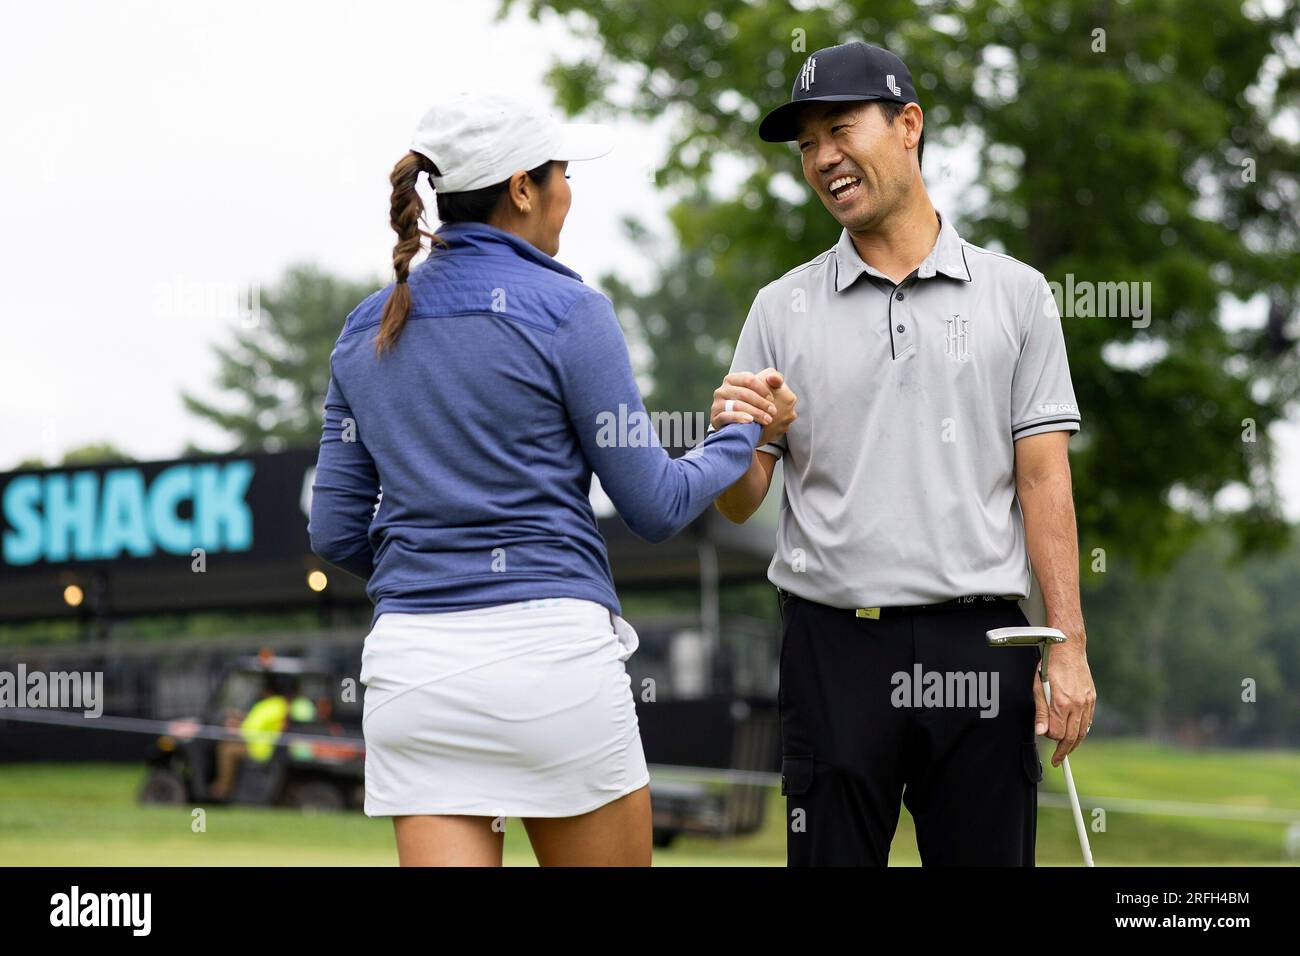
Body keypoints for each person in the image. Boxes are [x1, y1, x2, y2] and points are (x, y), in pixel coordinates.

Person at [307, 92, 798, 867]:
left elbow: (335, 530)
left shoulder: (365, 325)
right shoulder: (570, 310)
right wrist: (744, 432)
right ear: (523, 189)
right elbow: (656, 505)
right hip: (552, 667)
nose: (569, 191)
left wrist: (434, 571)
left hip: (413, 669)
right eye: (562, 173)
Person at [712, 41, 1097, 865]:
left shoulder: (1018, 295)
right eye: (808, 144)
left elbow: (1043, 480)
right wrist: (741, 434)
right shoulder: (779, 308)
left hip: (983, 645)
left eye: (840, 130)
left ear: (909, 125)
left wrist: (1067, 645)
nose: (822, 158)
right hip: (833, 649)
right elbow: (739, 501)